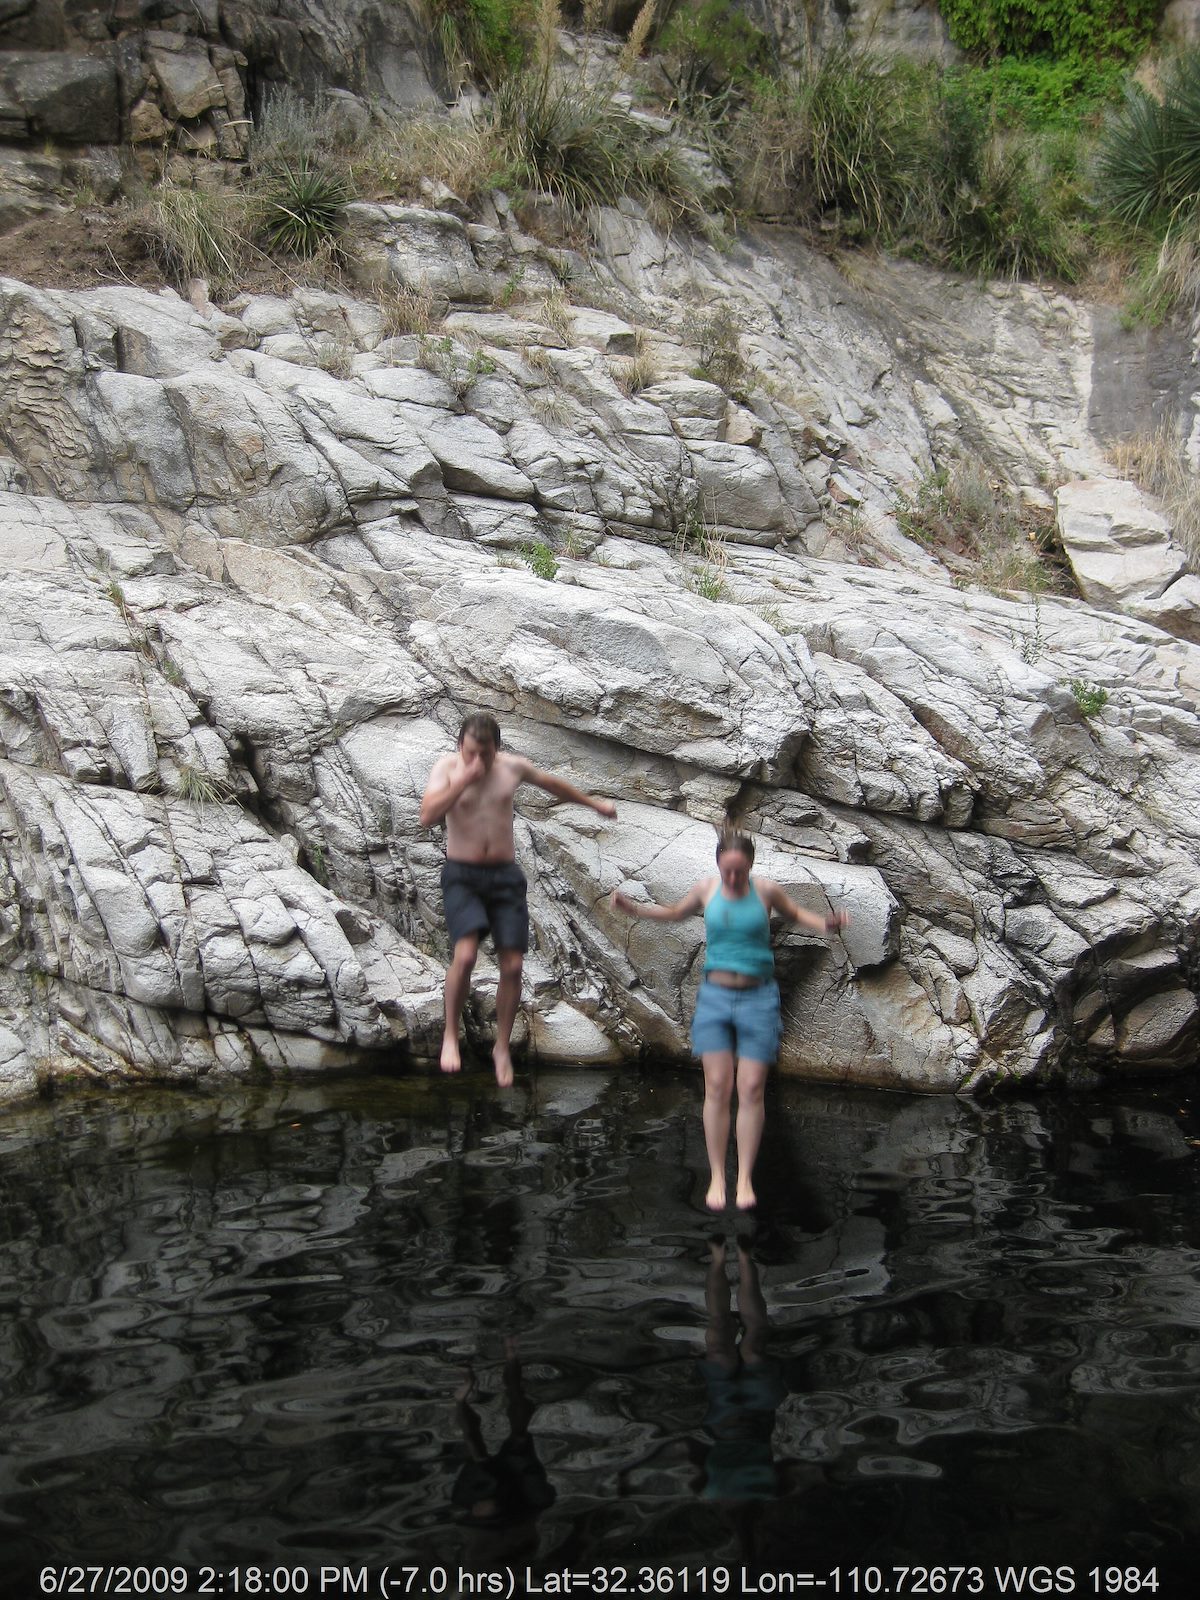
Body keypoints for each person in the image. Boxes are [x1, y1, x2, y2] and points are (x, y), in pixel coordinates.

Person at [610, 829, 847, 1211]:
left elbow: (798, 914)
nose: (733, 879)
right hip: (716, 999)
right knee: (717, 1086)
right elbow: (674, 913)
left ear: (749, 866)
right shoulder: (707, 889)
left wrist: (826, 923)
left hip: (758, 998)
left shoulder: (766, 890)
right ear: (719, 866)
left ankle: (746, 1178)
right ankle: (719, 1174)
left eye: (739, 872)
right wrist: (636, 908)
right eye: (727, 872)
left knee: (751, 1088)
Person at [420, 712, 617, 1087]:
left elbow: (553, 785)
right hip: (462, 875)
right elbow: (427, 816)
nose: (478, 762)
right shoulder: (447, 769)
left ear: (498, 749)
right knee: (464, 955)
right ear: (460, 745)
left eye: (486, 755)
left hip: (505, 877)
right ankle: (450, 1034)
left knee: (512, 966)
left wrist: (593, 804)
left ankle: (501, 1047)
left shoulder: (511, 768)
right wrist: (461, 781)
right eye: (471, 753)